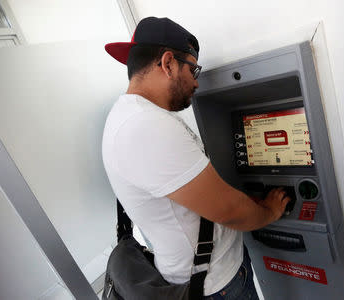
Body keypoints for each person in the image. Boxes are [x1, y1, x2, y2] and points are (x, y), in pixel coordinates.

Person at [102, 16, 290, 299]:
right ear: (168, 63)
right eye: (194, 69)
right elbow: (229, 211)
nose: (197, 83)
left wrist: (253, 200)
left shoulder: (129, 117)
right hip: (216, 286)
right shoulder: (145, 126)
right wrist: (271, 211)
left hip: (208, 276)